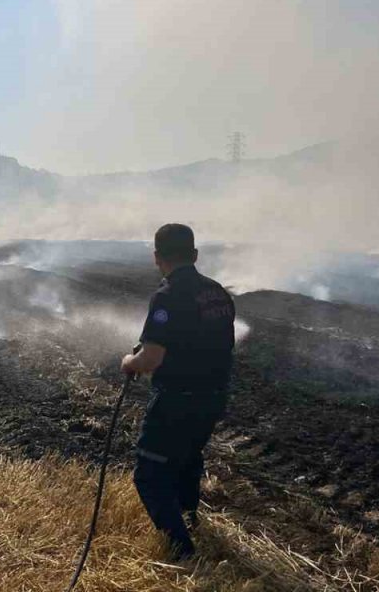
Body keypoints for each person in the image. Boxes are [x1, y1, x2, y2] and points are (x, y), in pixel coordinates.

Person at [120, 223, 235, 560]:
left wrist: (130, 361)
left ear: (157, 258)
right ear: (195, 255)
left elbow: (151, 357)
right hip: (213, 397)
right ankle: (188, 518)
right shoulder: (217, 292)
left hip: (177, 400)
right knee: (187, 460)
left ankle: (183, 552)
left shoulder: (167, 295)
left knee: (150, 475)